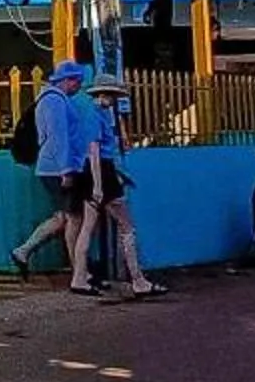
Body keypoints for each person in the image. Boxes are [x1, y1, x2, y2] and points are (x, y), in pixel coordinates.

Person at [9, 61, 93, 284]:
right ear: (69, 80)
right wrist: (67, 170)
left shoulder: (49, 99)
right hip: (58, 168)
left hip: (50, 167)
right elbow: (59, 138)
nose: (79, 87)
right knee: (74, 218)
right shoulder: (55, 102)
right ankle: (79, 271)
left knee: (64, 216)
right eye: (78, 82)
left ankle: (24, 251)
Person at [85, 74, 168, 298]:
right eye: (111, 95)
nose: (112, 99)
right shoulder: (95, 116)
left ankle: (84, 276)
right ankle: (137, 279)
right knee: (126, 226)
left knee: (87, 228)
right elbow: (94, 151)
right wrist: (99, 184)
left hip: (104, 172)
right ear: (104, 94)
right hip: (103, 173)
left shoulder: (98, 113)